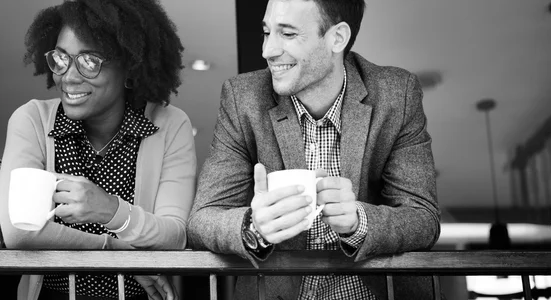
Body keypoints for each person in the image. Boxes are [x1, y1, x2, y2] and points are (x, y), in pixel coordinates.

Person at [187, 0, 440, 298]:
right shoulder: (242, 98)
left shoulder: (397, 94)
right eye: (267, 32)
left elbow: (423, 219)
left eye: (288, 34)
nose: (267, 50)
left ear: (337, 38)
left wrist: (359, 221)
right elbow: (201, 221)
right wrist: (254, 227)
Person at [0, 0, 196, 299]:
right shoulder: (33, 121)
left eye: (89, 61)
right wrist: (116, 250)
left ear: (130, 64)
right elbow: (18, 231)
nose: (68, 76)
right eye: (61, 58)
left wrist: (111, 211)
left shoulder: (169, 125)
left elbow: (174, 235)